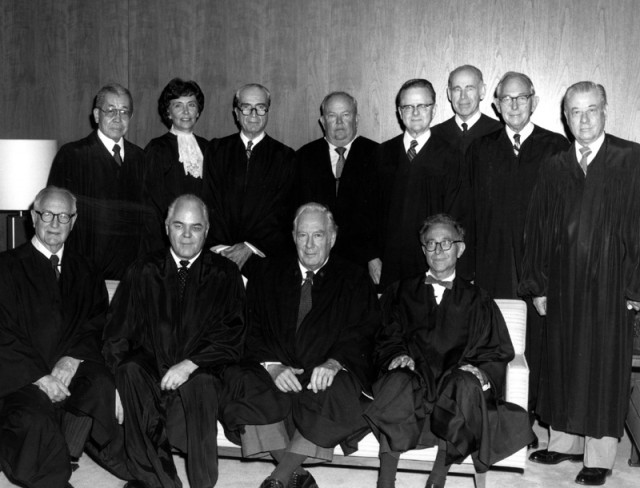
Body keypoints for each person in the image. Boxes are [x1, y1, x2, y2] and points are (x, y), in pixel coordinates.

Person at [520, 81, 640, 486]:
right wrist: (538, 284)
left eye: (592, 109)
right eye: (575, 111)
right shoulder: (555, 166)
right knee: (564, 361)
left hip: (611, 284)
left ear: (606, 110)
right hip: (563, 283)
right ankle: (565, 441)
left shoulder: (631, 159)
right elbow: (536, 229)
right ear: (565, 116)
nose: (584, 119)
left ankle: (600, 455)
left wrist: (634, 289)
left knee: (603, 365)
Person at [364, 214, 533, 488]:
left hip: (453, 387)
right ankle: (386, 480)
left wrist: (480, 371)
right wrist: (396, 355)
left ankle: (438, 477)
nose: (438, 251)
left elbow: (495, 349)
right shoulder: (401, 292)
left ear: (460, 248)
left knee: (466, 385)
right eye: (431, 244)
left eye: (446, 243)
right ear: (423, 250)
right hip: (414, 381)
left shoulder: (479, 299)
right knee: (395, 380)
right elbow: (385, 336)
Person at [220, 203, 379, 488]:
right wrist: (271, 366)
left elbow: (363, 333)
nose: (309, 245)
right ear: (293, 236)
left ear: (332, 237)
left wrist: (334, 362)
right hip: (275, 370)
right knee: (242, 379)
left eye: (318, 236)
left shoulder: (354, 278)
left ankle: (278, 478)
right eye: (302, 235)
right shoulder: (267, 272)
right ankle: (296, 474)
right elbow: (248, 328)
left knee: (339, 389)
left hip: (323, 372)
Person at [103, 194, 245, 488]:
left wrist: (189, 365)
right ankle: (161, 482)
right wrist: (118, 382)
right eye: (179, 225)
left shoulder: (225, 273)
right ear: (166, 227)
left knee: (202, 384)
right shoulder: (143, 270)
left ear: (207, 230)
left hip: (199, 369)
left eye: (196, 227)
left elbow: (232, 335)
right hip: (152, 366)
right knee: (129, 370)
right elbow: (118, 332)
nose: (187, 235)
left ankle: (203, 483)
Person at [0, 186, 128, 488]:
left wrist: (72, 359)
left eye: (63, 216)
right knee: (33, 424)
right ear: (33, 217)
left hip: (69, 369)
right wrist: (40, 377)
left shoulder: (87, 269)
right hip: (21, 379)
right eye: (47, 214)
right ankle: (56, 477)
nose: (55, 223)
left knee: (101, 386)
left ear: (74, 220)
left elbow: (98, 322)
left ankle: (141, 472)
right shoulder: (5, 267)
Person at [469, 72, 569, 425]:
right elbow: (471, 211)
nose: (513, 105)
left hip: (540, 262)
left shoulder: (556, 147)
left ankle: (534, 414)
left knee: (539, 341)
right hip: (493, 260)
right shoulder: (481, 148)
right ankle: (497, 414)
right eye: (506, 99)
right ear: (495, 106)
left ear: (534, 101)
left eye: (521, 97)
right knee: (497, 336)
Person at [48, 83, 146, 280]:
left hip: (132, 276)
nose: (118, 118)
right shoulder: (72, 155)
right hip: (85, 275)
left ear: (131, 117)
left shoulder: (142, 159)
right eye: (110, 110)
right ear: (96, 115)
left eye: (124, 111)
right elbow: (56, 217)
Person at [378, 79, 466, 289]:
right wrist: (372, 257)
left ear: (434, 109)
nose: (415, 112)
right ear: (400, 112)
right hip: (388, 263)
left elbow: (456, 214)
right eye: (408, 106)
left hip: (433, 261)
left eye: (422, 106)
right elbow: (370, 212)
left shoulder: (452, 156)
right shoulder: (382, 153)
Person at [202, 83, 295, 278]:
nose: (253, 113)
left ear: (268, 112)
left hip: (264, 257)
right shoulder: (216, 150)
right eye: (246, 107)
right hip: (220, 256)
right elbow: (209, 201)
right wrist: (223, 250)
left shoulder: (285, 157)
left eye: (260, 107)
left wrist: (250, 246)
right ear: (236, 112)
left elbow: (282, 212)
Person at [294, 91, 380, 282]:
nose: (339, 122)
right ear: (322, 121)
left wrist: (373, 256)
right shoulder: (303, 158)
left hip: (363, 263)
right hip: (315, 260)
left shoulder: (378, 155)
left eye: (346, 115)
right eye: (332, 116)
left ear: (356, 119)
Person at [142, 78, 209, 252]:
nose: (186, 111)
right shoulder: (157, 148)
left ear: (198, 112)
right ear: (169, 112)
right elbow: (152, 204)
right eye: (178, 105)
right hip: (167, 241)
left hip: (203, 238)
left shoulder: (210, 148)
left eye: (191, 105)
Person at [431, 65, 503, 155]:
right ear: (449, 94)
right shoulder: (434, 135)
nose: (463, 96)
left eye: (469, 89)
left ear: (482, 91)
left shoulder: (500, 132)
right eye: (457, 89)